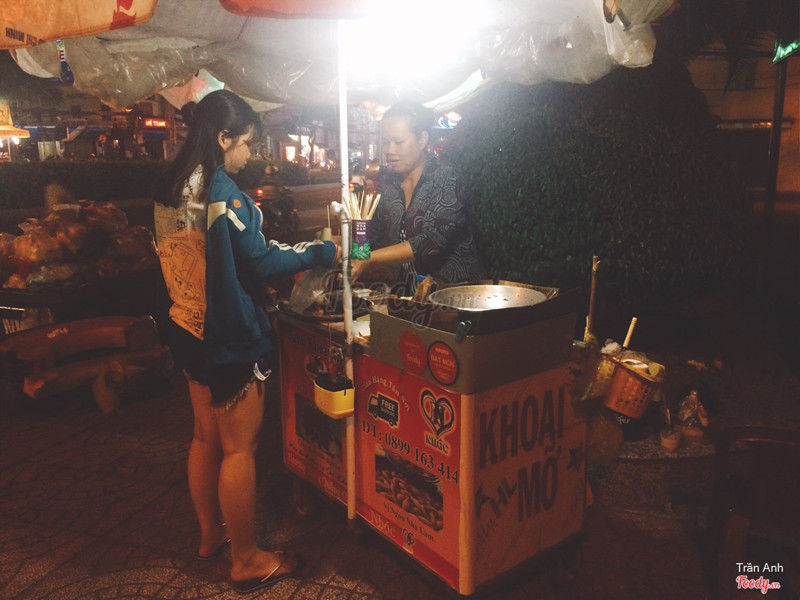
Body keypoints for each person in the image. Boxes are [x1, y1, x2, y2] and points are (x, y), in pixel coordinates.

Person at [153, 90, 337, 594]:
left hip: (186, 327)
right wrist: (320, 252)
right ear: (223, 138)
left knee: (203, 437)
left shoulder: (172, 187)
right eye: (248, 143)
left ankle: (211, 535)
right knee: (240, 449)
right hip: (227, 335)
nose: (250, 153)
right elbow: (261, 260)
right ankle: (247, 559)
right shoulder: (222, 192)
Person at [350, 100, 483, 294]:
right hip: (409, 297)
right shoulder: (388, 183)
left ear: (422, 140)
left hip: (454, 294)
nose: (389, 150)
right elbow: (375, 233)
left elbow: (431, 242)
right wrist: (350, 248)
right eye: (386, 142)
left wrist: (368, 259)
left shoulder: (447, 178)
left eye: (398, 142)